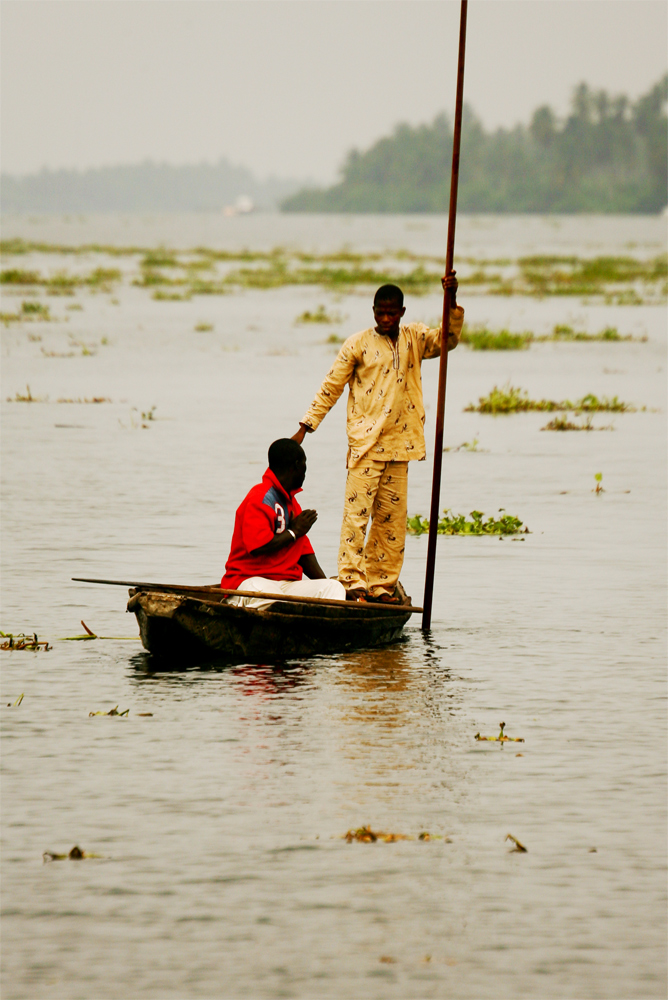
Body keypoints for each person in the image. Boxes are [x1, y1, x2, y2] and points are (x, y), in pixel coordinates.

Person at [292, 274, 463, 602]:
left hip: (400, 446)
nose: (386, 319)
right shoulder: (357, 344)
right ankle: (352, 581)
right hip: (365, 445)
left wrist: (451, 301)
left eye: (391, 313)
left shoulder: (414, 338)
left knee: (391, 524)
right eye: (380, 313)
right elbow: (331, 387)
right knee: (355, 518)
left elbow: (447, 341)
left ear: (401, 311)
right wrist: (306, 426)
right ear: (373, 312)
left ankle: (382, 585)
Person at [221, 438, 345, 609]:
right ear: (296, 465)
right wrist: (293, 532)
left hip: (286, 585)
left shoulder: (292, 504)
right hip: (250, 581)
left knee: (333, 587)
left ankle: (324, 629)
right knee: (270, 597)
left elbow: (304, 554)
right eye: (304, 464)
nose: (305, 472)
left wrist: (331, 587)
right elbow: (257, 547)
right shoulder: (260, 498)